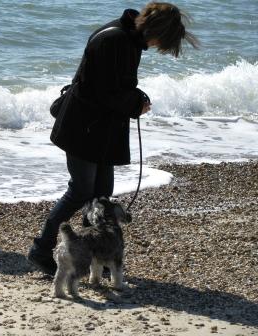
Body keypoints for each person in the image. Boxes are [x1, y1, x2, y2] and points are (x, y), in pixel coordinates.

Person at [27, 2, 199, 275]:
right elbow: (102, 92)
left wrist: (137, 97)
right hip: (82, 127)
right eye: (161, 41)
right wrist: (135, 104)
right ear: (155, 30)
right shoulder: (114, 39)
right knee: (82, 191)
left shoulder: (128, 39)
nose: (156, 46)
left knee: (101, 194)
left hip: (100, 129)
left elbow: (116, 85)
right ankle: (40, 249)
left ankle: (93, 255)